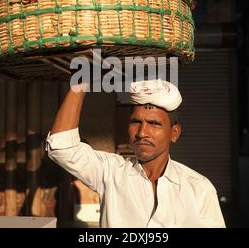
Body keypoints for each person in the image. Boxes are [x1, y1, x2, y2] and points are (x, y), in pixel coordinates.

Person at [46, 78, 226, 227]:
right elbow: (61, 146)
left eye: (154, 124)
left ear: (174, 133)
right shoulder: (111, 172)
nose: (141, 133)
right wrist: (81, 80)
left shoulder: (199, 189)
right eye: (135, 122)